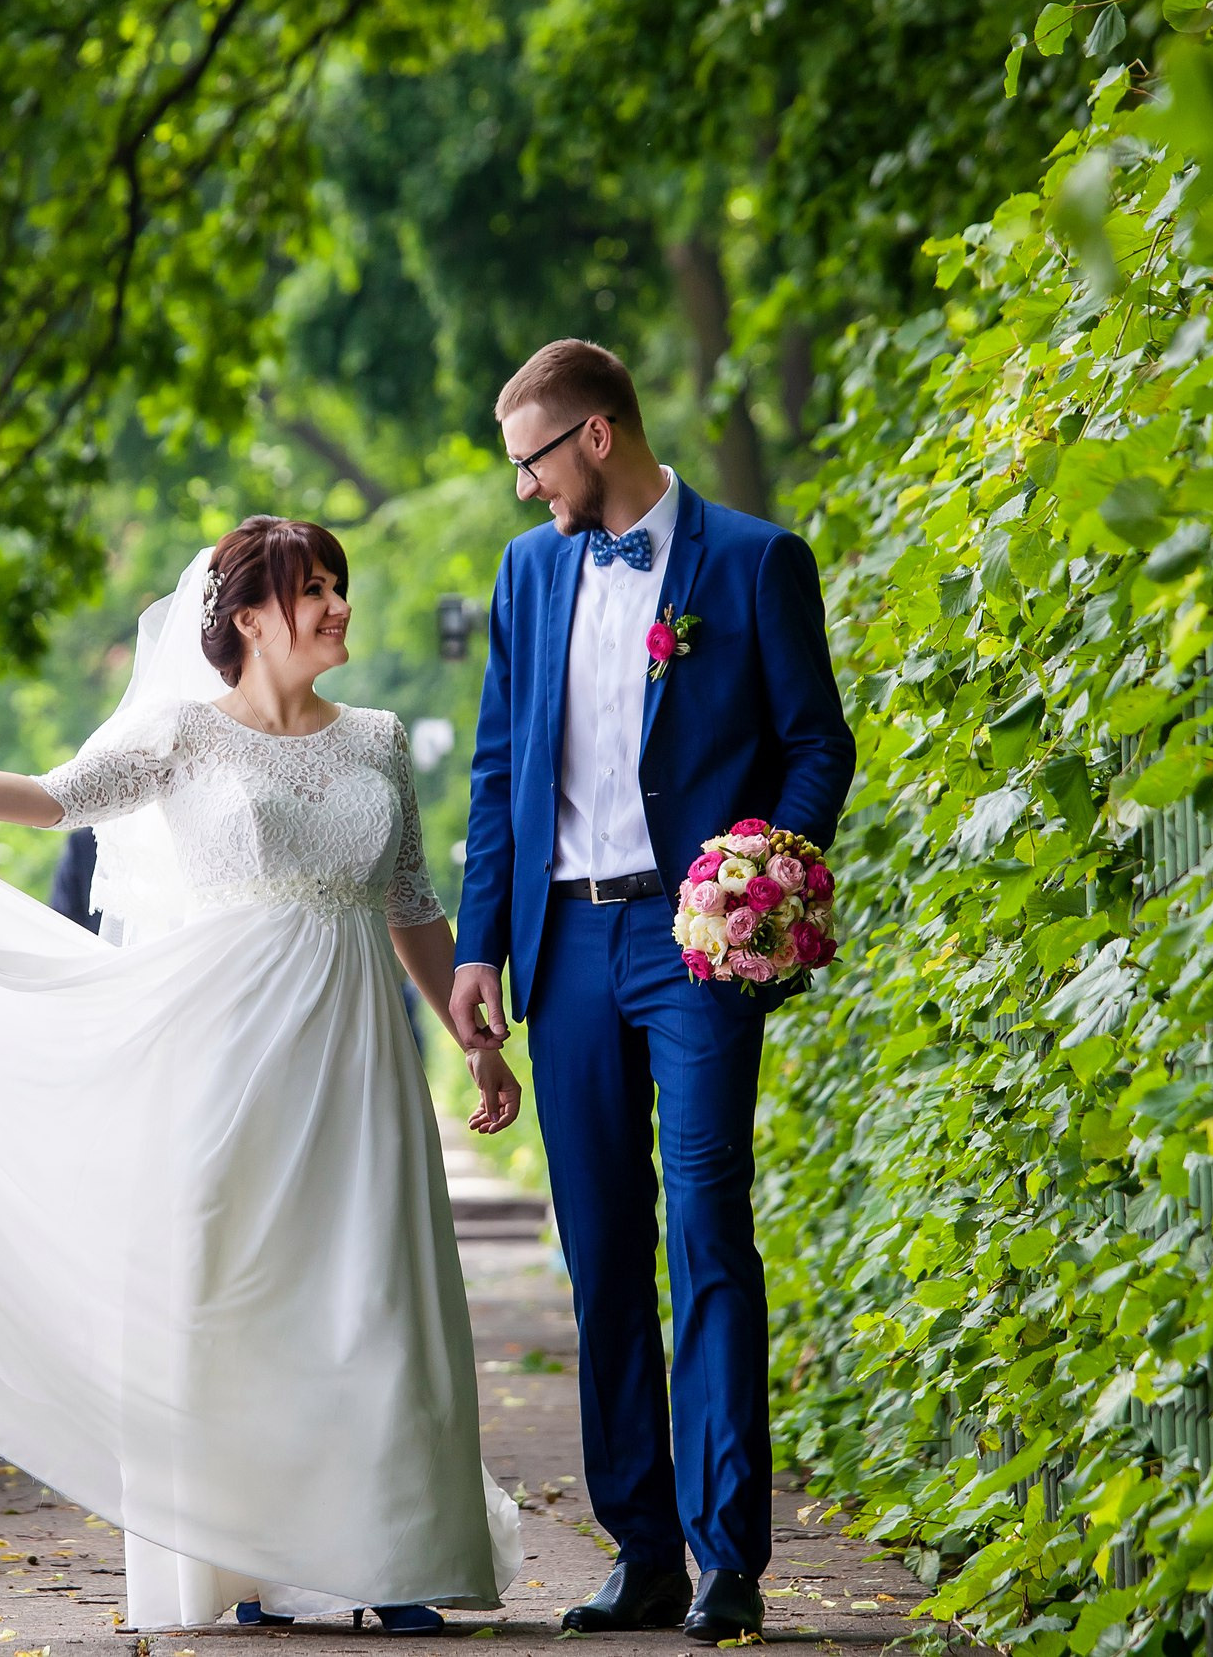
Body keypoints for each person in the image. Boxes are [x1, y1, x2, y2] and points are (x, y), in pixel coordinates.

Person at [0, 516, 524, 1633]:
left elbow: (408, 902)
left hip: (358, 1058)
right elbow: (52, 796)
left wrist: (474, 1038)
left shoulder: (379, 739)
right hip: (228, 1051)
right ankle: (250, 1559)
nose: (339, 605)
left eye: (337, 585)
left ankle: (392, 1559)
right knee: (238, 1297)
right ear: (250, 618)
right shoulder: (183, 734)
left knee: (375, 1290)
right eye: (313, 590)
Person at [447, 340, 856, 1644]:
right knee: (602, 1249)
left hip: (694, 951)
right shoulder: (527, 572)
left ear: (597, 436)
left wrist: (765, 867)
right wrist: (477, 947)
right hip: (564, 947)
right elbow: (500, 767)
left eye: (531, 460)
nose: (525, 489)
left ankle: (728, 1556)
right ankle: (643, 1552)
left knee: (710, 1229)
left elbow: (816, 742)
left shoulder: (754, 561)